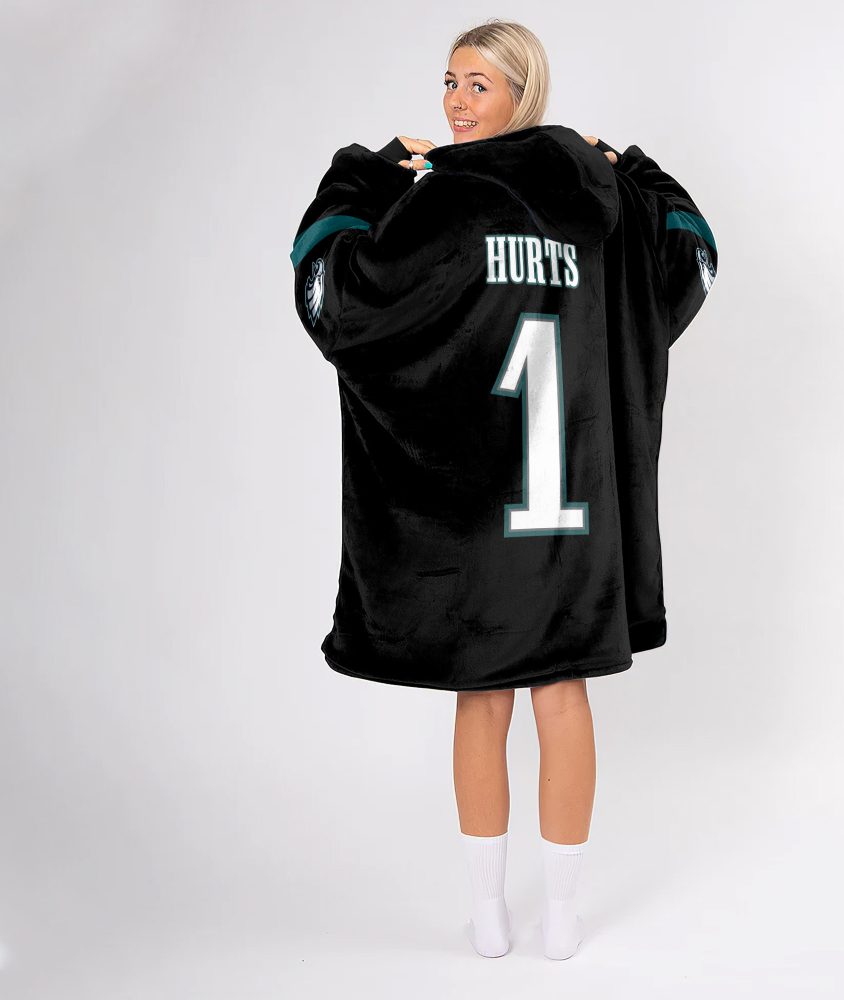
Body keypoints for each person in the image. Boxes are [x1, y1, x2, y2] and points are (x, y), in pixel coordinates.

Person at [289, 19, 718, 962]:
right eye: (449, 81)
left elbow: (335, 294)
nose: (454, 102)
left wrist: (364, 174)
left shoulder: (443, 202)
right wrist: (633, 166)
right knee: (560, 695)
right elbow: (691, 258)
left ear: (524, 93)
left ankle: (497, 917)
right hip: (572, 518)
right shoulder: (600, 200)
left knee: (485, 700)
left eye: (477, 85)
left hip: (480, 516)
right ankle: (553, 917)